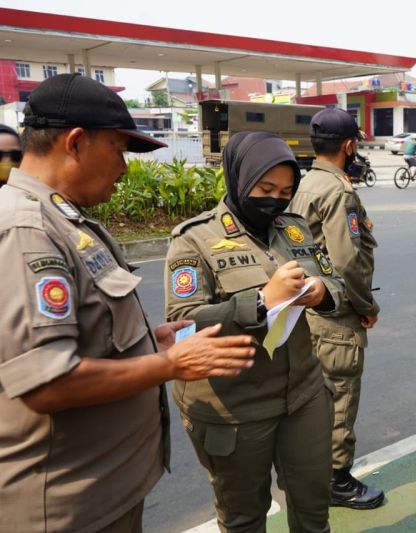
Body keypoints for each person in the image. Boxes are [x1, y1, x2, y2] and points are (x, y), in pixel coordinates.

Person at [0, 73, 256, 532]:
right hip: (65, 507)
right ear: (76, 142)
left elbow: (85, 334)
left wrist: (144, 344)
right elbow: (47, 384)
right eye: (119, 150)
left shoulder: (64, 219)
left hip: (100, 490)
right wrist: (171, 365)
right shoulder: (28, 231)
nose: (124, 168)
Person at [165, 131, 343, 532]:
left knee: (314, 508)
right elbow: (182, 323)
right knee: (245, 518)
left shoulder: (294, 228)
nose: (275, 200)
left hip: (303, 394)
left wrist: (320, 292)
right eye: (265, 188)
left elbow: (335, 281)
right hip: (234, 407)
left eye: (284, 190)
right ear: (240, 178)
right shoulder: (195, 239)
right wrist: (261, 300)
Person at [289, 108, 384, 509]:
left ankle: (311, 475)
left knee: (312, 397)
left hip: (307, 305)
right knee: (340, 395)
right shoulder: (339, 192)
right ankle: (336, 481)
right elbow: (347, 260)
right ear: (349, 145)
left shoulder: (303, 182)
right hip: (336, 309)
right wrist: (367, 305)